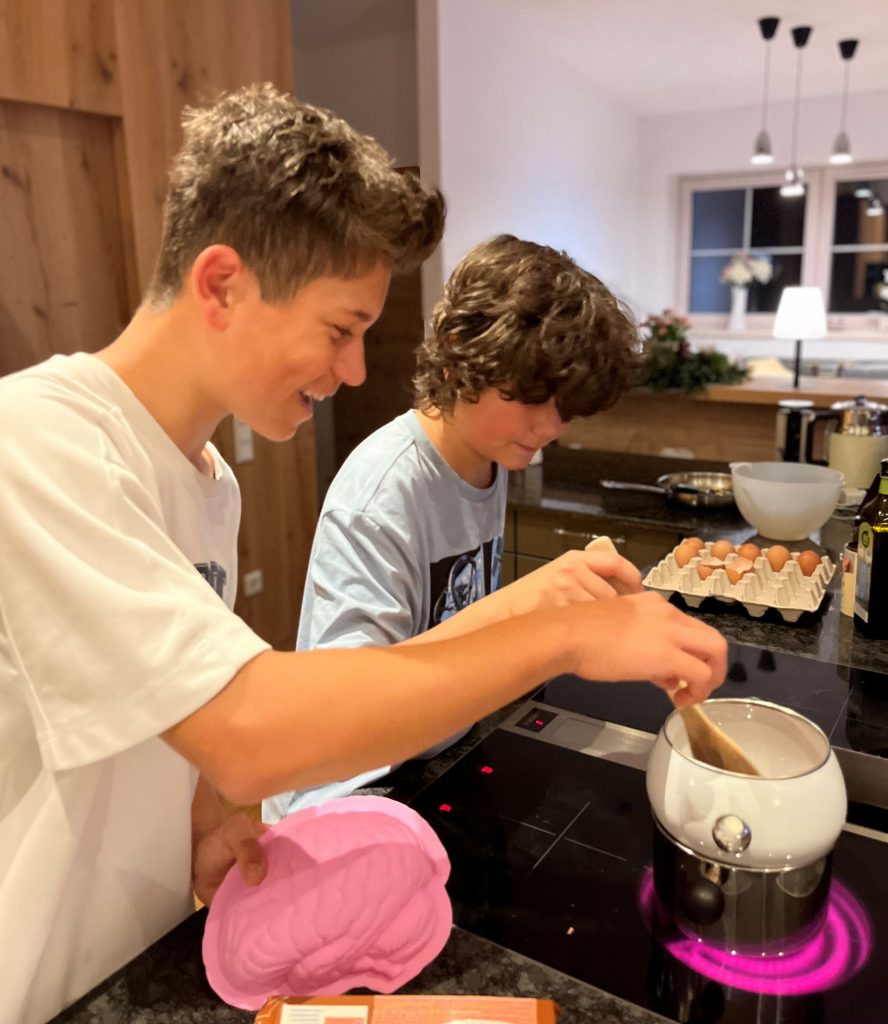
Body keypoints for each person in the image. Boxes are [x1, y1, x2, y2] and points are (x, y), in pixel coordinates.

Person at [0, 83, 727, 1024]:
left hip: (149, 957)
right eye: (340, 331)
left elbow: (171, 712)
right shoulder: (36, 443)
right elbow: (251, 731)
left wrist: (205, 809)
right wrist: (567, 640)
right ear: (222, 283)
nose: (351, 371)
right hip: (39, 979)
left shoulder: (207, 483)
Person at [264, 234, 644, 822]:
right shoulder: (383, 491)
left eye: (565, 407)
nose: (548, 425)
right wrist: (526, 606)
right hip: (349, 792)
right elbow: (347, 703)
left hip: (432, 751)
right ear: (458, 359)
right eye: (529, 397)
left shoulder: (490, 456)